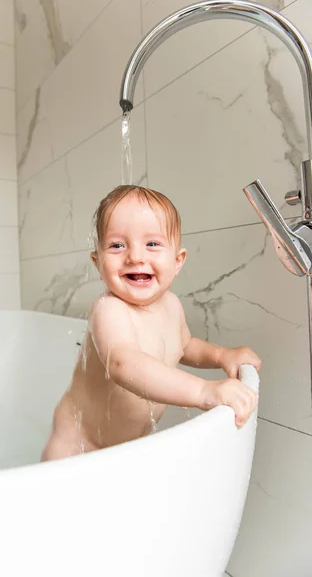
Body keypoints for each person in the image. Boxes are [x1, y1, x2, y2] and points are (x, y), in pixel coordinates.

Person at [41, 185, 261, 461]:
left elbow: (185, 345)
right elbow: (123, 364)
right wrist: (205, 391)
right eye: (117, 245)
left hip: (127, 445)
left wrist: (222, 355)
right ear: (98, 262)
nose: (135, 256)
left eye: (152, 244)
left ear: (177, 260)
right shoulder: (109, 309)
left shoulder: (171, 305)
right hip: (78, 445)